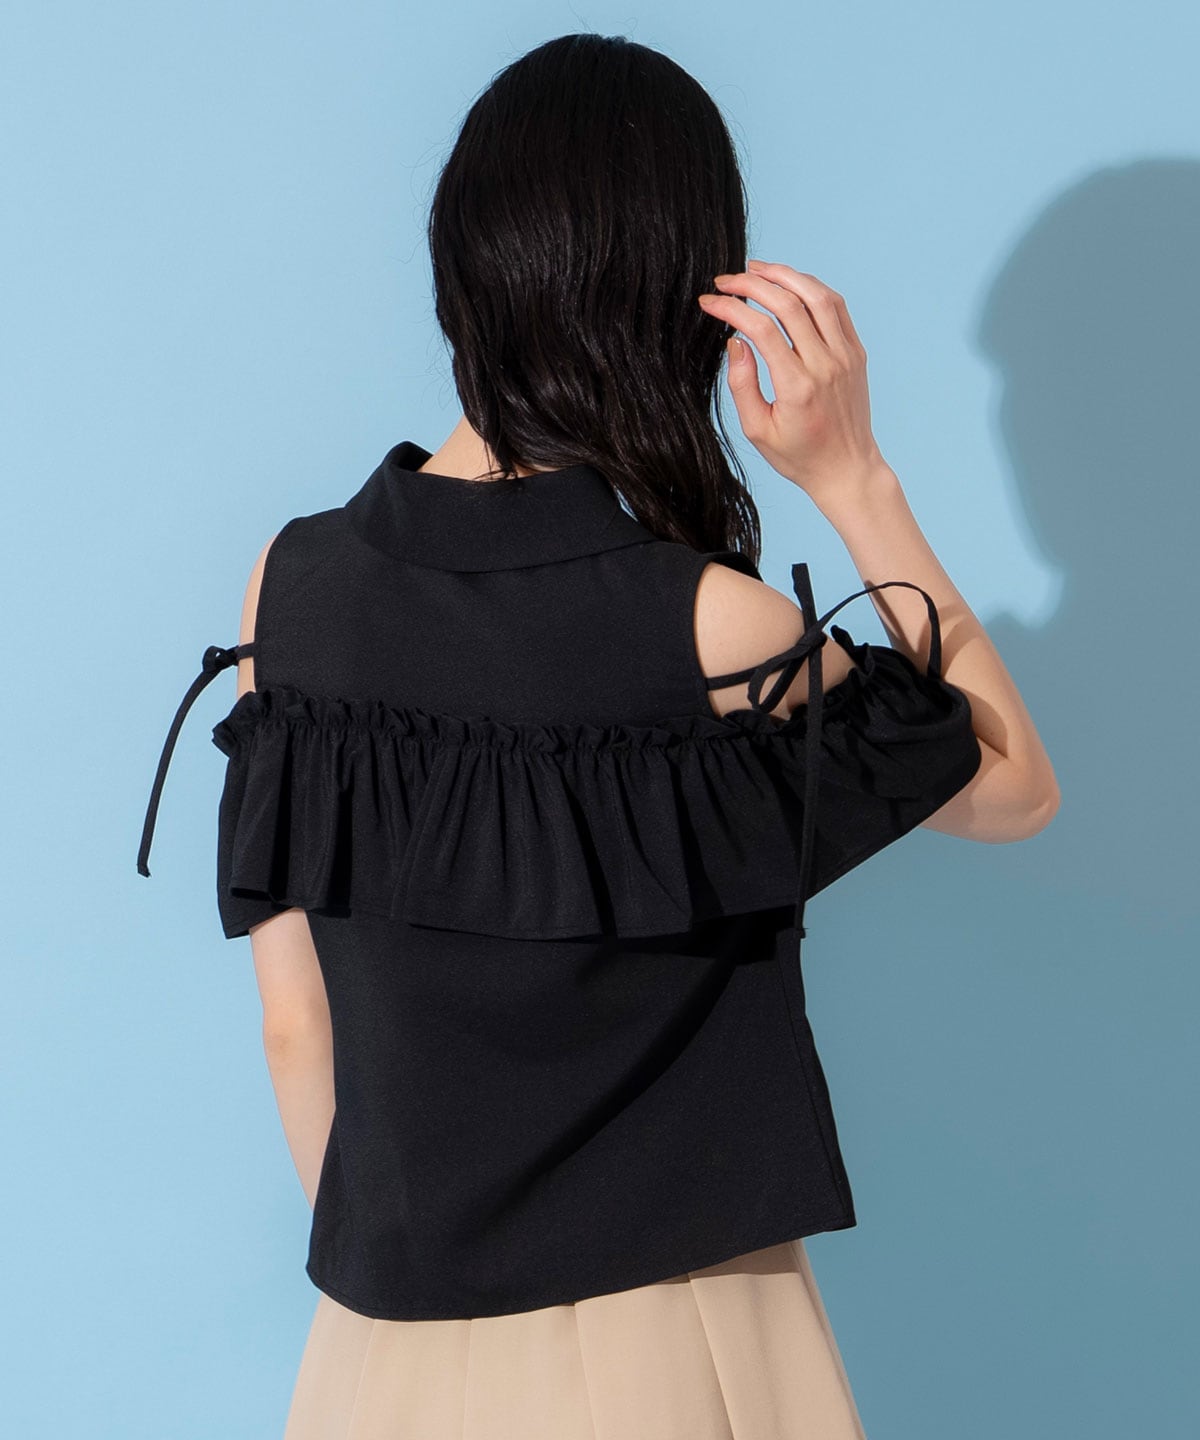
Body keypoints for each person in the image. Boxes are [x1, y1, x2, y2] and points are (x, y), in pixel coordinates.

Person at [137, 32, 1058, 1440]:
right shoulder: (711, 624)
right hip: (682, 1342)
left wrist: (407, 1285)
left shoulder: (292, 583)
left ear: (463, 262)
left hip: (380, 1349)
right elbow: (1010, 783)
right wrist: (852, 474)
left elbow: (292, 1023)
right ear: (685, 299)